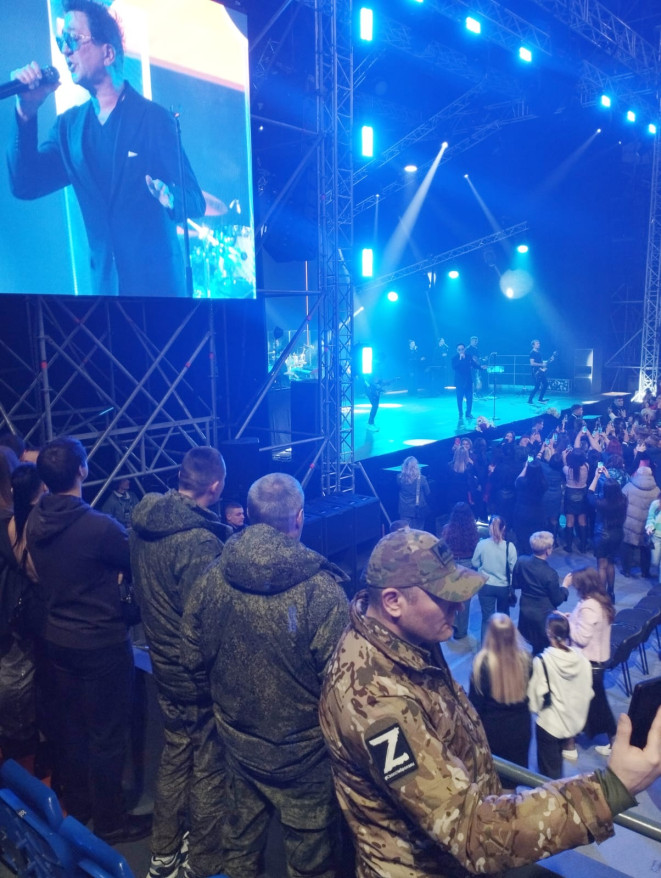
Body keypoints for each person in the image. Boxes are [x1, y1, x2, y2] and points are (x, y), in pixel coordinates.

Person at [319, 527, 661, 878]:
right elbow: (467, 831)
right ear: (393, 601)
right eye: (444, 596)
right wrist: (610, 790)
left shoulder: (405, 638)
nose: (459, 605)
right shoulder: (375, 702)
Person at [181, 473, 351, 878]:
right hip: (306, 764)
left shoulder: (214, 575)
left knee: (239, 856)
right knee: (311, 867)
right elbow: (342, 691)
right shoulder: (323, 592)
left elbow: (190, 656)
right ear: (299, 517)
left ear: (250, 515)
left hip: (238, 747)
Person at [8, 0, 205, 297]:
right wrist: (26, 111)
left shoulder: (154, 119)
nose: (65, 50)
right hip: (105, 295)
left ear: (108, 53)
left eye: (73, 39)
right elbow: (26, 184)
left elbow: (196, 199)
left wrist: (170, 196)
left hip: (159, 293)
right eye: (61, 42)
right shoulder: (68, 129)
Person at [25, 436, 151, 843]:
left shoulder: (35, 519)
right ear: (82, 470)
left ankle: (79, 810)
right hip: (99, 643)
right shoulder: (98, 527)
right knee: (107, 736)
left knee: (74, 730)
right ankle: (111, 823)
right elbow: (136, 562)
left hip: (57, 639)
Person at [130, 448, 231, 878]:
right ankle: (202, 861)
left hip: (162, 664)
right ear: (216, 487)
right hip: (193, 675)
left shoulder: (143, 521)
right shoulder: (199, 542)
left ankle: (163, 853)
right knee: (208, 765)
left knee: (175, 754)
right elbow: (204, 620)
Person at [528, 612, 593, 779]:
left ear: (549, 632)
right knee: (557, 773)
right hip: (572, 723)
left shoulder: (542, 661)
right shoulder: (583, 660)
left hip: (549, 725)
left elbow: (534, 701)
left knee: (548, 776)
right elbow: (588, 691)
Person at [565, 568, 617, 760]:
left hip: (587, 663)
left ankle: (570, 745)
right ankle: (613, 742)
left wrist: (566, 623)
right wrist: (572, 618)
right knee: (596, 705)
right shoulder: (601, 601)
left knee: (578, 704)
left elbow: (581, 637)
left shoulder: (589, 607)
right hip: (596, 662)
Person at [469, 613, 532, 769]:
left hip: (492, 730)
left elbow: (475, 705)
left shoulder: (481, 664)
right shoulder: (526, 660)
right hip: (521, 727)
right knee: (517, 773)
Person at [513, 530, 568, 656]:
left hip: (525, 611)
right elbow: (557, 600)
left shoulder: (521, 561)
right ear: (548, 550)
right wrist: (565, 586)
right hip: (542, 617)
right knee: (543, 650)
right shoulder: (550, 574)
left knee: (533, 645)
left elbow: (516, 584)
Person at [471, 515, 518, 642]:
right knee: (503, 618)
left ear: (489, 528)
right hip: (504, 587)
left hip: (486, 585)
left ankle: (485, 647)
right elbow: (513, 568)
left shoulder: (482, 544)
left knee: (487, 619)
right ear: (504, 528)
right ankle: (504, 645)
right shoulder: (510, 547)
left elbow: (475, 563)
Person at [441, 502, 479, 639]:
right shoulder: (473, 531)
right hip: (467, 564)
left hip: (451, 564)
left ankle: (451, 624)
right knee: (465, 598)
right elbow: (475, 548)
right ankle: (461, 631)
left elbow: (442, 547)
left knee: (450, 595)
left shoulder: (447, 529)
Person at [588, 470, 627, 601]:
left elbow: (589, 493)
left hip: (602, 535)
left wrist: (596, 477)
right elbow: (616, 490)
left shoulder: (601, 503)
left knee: (602, 566)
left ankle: (602, 596)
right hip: (617, 535)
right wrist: (609, 478)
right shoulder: (623, 500)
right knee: (611, 563)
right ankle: (611, 593)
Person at [622, 463, 659, 578]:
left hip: (630, 523)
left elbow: (621, 501)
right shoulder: (656, 490)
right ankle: (645, 572)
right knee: (645, 548)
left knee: (628, 546)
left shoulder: (629, 486)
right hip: (647, 523)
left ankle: (626, 570)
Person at [451, 342, 485, 422]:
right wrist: (460, 359)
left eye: (462, 349)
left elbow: (474, 365)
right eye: (459, 350)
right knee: (459, 398)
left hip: (468, 381)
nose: (461, 351)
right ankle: (460, 413)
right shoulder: (454, 358)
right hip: (459, 382)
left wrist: (481, 367)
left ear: (464, 349)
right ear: (457, 350)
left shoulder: (469, 356)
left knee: (469, 398)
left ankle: (468, 413)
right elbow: (454, 367)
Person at [397, 456, 430, 531]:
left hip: (404, 509)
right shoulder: (422, 479)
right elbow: (428, 492)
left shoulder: (399, 478)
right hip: (418, 510)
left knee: (406, 532)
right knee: (418, 532)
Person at [527, 339, 554, 405]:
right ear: (533, 345)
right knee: (537, 386)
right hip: (536, 372)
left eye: (539, 343)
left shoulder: (539, 352)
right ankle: (530, 400)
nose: (539, 344)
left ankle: (540, 399)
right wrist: (542, 365)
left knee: (545, 384)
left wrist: (549, 361)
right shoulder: (532, 353)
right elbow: (532, 363)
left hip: (541, 371)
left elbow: (541, 362)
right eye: (537, 343)